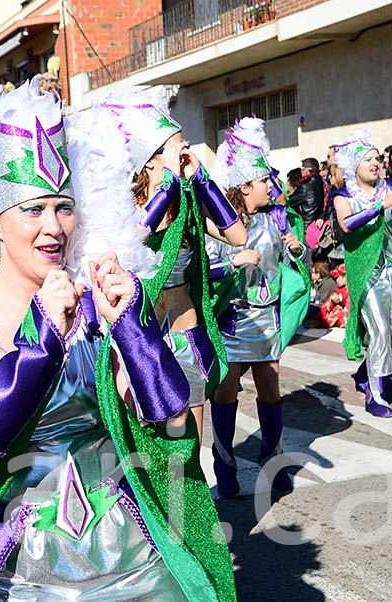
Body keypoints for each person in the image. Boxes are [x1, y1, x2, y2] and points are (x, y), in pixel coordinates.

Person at [0, 79, 236, 602]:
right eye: (33, 209)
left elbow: (174, 422)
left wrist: (134, 331)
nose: (54, 227)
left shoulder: (95, 302)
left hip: (123, 540)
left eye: (63, 207)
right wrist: (41, 341)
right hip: (20, 555)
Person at [94, 88, 247, 442]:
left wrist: (203, 183)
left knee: (188, 443)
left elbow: (237, 236)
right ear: (150, 160)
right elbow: (131, 240)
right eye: (177, 148)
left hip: (184, 330)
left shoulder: (188, 203)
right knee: (147, 443)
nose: (186, 154)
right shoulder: (124, 209)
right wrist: (165, 191)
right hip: (141, 336)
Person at [206, 117, 311, 498]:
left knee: (270, 387)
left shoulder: (274, 219)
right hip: (233, 320)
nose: (272, 186)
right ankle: (225, 465)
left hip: (266, 319)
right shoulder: (219, 226)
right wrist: (231, 263)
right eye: (264, 182)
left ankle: (274, 460)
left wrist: (297, 250)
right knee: (226, 393)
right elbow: (205, 271)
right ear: (244, 188)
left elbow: (289, 264)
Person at [330, 130, 392, 417]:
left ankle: (365, 373)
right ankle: (375, 393)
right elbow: (346, 225)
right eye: (367, 159)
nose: (375, 162)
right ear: (353, 167)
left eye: (376, 158)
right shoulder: (342, 195)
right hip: (368, 274)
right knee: (381, 330)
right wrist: (377, 207)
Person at [288, 157, 326, 226]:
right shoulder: (321, 181)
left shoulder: (305, 186)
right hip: (317, 223)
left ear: (307, 171)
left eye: (302, 169)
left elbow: (289, 202)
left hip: (307, 224)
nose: (301, 172)